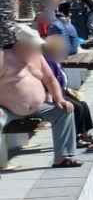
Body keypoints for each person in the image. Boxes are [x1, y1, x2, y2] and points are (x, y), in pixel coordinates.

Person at [0, 25, 78, 167]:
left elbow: (50, 79)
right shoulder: (3, 58)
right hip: (8, 109)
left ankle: (63, 157)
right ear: (20, 44)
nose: (36, 48)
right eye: (32, 46)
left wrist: (59, 99)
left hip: (38, 106)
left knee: (65, 110)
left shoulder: (37, 56)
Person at [43, 34, 93, 146]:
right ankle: (75, 138)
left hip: (62, 92)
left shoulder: (55, 60)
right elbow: (49, 83)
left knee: (83, 105)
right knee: (76, 107)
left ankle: (84, 134)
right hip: (53, 95)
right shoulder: (48, 62)